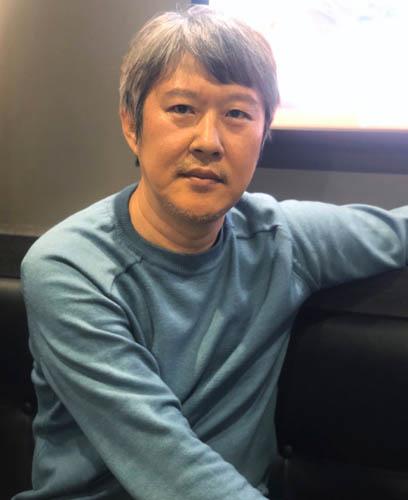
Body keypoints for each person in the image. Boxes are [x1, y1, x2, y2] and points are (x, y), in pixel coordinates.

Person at [15, 5, 408, 500]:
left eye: (238, 114)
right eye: (182, 109)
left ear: (263, 135)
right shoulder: (69, 269)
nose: (209, 141)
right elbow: (169, 466)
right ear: (132, 125)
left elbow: (398, 230)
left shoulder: (280, 238)